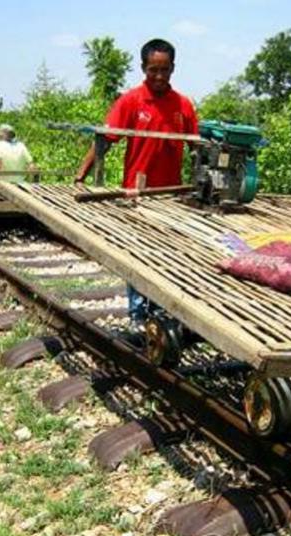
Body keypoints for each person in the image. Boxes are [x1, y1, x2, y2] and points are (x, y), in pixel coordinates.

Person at [74, 38, 199, 327]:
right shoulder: (132, 100)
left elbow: (197, 150)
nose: (158, 76)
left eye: (164, 70)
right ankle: (138, 315)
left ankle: (166, 313)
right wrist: (83, 171)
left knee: (168, 255)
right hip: (136, 194)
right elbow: (106, 138)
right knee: (139, 255)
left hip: (172, 195)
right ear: (143, 67)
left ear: (173, 69)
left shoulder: (183, 105)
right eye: (153, 69)